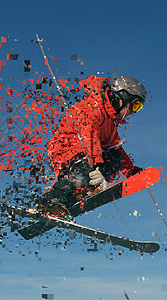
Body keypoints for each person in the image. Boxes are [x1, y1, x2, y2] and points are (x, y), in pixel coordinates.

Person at [38, 75, 146, 215]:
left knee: (115, 157)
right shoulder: (92, 107)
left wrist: (130, 171)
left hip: (89, 152)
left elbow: (116, 147)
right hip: (66, 149)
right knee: (85, 169)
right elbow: (88, 135)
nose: (133, 112)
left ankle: (77, 195)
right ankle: (51, 202)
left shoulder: (111, 121)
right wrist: (97, 165)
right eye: (135, 105)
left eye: (139, 108)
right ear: (123, 98)